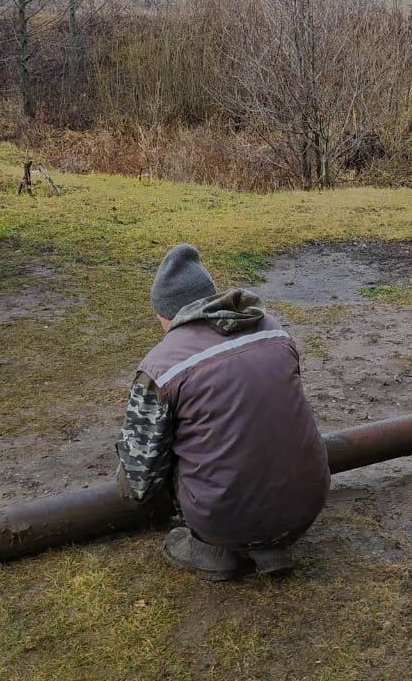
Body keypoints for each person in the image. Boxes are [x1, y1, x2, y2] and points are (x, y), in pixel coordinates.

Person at [115, 243, 331, 580]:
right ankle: (271, 547)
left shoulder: (162, 367)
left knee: (156, 457)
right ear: (207, 298)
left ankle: (212, 551)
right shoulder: (274, 330)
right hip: (309, 502)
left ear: (164, 312)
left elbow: (139, 483)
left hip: (224, 520)